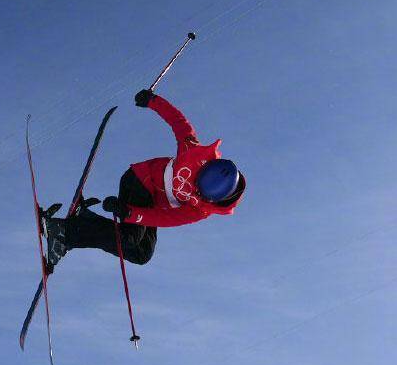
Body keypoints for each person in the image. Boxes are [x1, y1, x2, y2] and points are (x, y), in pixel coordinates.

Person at [42, 89, 245, 272]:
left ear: (210, 199)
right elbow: (179, 122)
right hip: (139, 179)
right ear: (204, 168)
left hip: (151, 202)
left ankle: (85, 220)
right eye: (198, 180)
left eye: (200, 192)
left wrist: (130, 213)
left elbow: (167, 219)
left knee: (141, 254)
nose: (194, 188)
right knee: (128, 239)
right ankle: (64, 233)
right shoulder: (193, 152)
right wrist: (153, 101)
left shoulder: (201, 210)